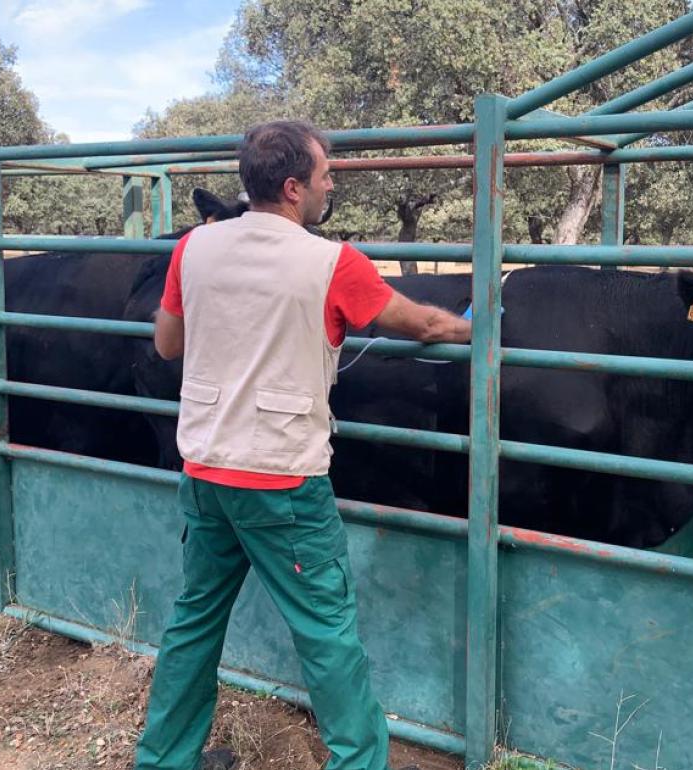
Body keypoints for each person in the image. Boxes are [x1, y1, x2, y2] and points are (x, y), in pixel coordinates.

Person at [133, 119, 471, 770]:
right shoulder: (332, 262)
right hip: (283, 482)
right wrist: (475, 327)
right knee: (326, 633)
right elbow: (422, 321)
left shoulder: (194, 249)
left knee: (195, 621)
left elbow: (168, 345)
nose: (330, 185)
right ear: (293, 189)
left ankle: (163, 760)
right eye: (324, 177)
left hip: (205, 468)